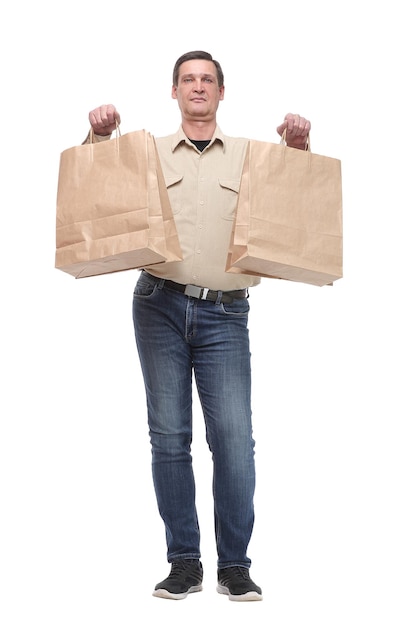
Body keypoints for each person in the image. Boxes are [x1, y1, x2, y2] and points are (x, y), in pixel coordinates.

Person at [86, 51, 310, 602]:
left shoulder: (251, 158)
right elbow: (98, 194)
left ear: (222, 92)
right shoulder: (148, 153)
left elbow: (291, 202)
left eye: (207, 79)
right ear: (174, 92)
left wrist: (298, 151)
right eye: (188, 79)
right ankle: (184, 561)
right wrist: (98, 140)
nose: (198, 87)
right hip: (157, 304)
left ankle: (234, 565)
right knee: (169, 438)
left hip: (226, 313)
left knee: (234, 440)